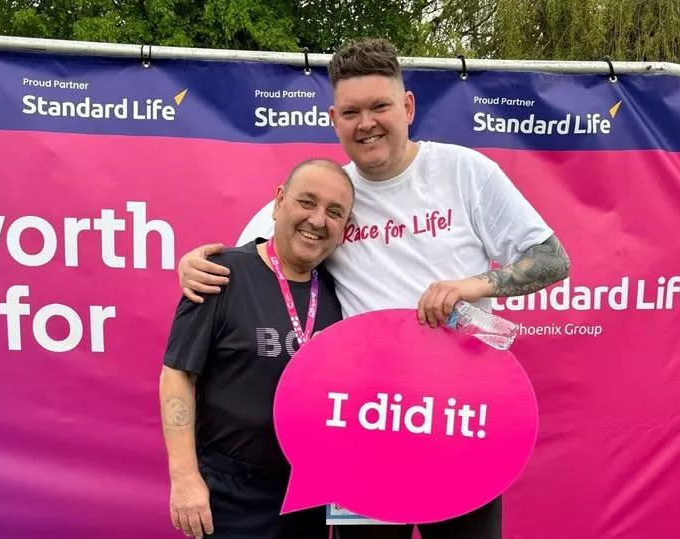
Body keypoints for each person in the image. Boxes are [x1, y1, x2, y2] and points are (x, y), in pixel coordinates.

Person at [177, 38, 571, 539]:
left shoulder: (465, 171)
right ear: (334, 120)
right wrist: (196, 264)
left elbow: (552, 259)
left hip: (462, 421)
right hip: (361, 427)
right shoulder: (332, 195)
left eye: (380, 106)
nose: (367, 123)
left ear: (407, 107)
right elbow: (252, 255)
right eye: (352, 111)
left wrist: (471, 286)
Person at [160, 158, 355, 539]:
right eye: (307, 202)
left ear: (345, 229)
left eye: (335, 212)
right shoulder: (221, 274)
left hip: (309, 495)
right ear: (279, 201)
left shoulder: (341, 292)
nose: (318, 220)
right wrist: (184, 478)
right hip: (230, 493)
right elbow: (177, 375)